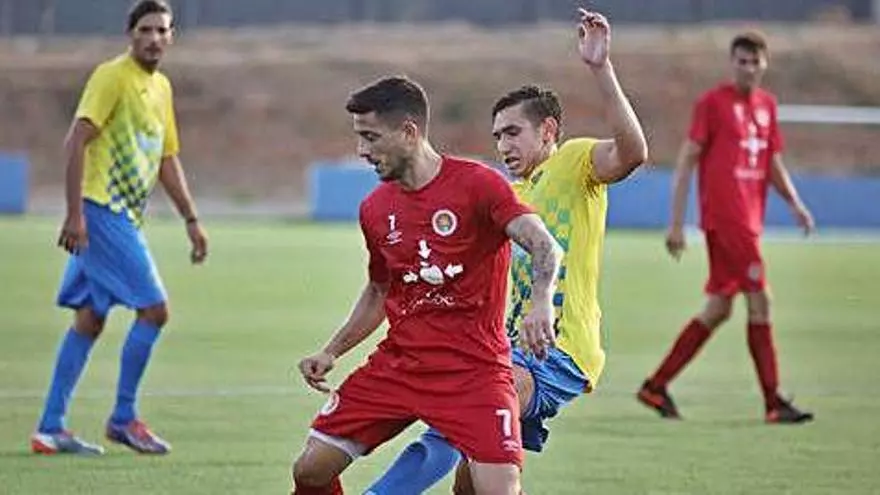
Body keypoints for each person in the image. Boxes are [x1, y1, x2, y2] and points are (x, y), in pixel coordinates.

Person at [365, 9, 649, 494]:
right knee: (472, 480)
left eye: (513, 132)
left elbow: (633, 153)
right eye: (497, 135)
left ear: (548, 130)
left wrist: (601, 69)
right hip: (505, 350)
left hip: (561, 351)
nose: (502, 144)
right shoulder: (506, 197)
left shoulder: (575, 162)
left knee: (457, 420)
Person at [290, 75, 563, 495]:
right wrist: (332, 350)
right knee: (310, 470)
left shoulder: (478, 185)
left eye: (370, 137)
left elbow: (544, 245)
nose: (361, 150)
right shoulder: (375, 208)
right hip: (400, 367)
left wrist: (541, 302)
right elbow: (380, 290)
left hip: (474, 374)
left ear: (408, 132)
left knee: (497, 491)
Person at [30, 0, 208, 456]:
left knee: (89, 320)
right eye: (145, 29)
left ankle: (50, 428)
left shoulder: (161, 88)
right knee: (155, 311)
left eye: (162, 30)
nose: (153, 38)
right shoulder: (112, 77)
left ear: (171, 36)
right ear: (131, 34)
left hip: (122, 214)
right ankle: (124, 418)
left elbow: (167, 159)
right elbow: (77, 139)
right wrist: (75, 215)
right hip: (100, 210)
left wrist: (191, 219)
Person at [636, 32, 815, 424]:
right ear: (732, 63)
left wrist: (795, 204)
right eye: (741, 61)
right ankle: (773, 402)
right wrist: (676, 223)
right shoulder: (712, 104)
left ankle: (656, 386)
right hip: (726, 220)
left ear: (764, 64)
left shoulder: (767, 106)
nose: (748, 68)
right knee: (761, 300)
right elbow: (687, 160)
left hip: (749, 220)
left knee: (718, 309)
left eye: (754, 62)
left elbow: (771, 162)